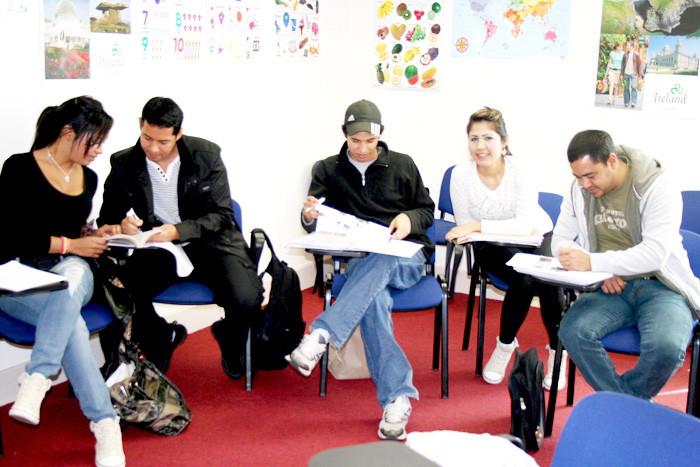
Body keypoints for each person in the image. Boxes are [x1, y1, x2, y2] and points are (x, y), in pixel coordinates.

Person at [286, 100, 435, 440]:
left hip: (405, 256)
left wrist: (408, 219)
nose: (364, 148)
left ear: (380, 136)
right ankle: (398, 398)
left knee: (383, 258)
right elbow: (315, 220)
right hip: (359, 260)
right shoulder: (327, 169)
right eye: (356, 141)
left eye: (371, 140)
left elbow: (426, 210)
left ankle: (321, 334)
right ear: (344, 135)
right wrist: (309, 216)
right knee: (375, 301)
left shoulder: (402, 164)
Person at [97, 97, 263, 378]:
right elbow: (106, 220)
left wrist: (178, 230)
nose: (153, 148)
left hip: (213, 243)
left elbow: (222, 215)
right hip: (160, 248)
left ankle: (229, 339)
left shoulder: (206, 155)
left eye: (163, 142)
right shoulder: (124, 163)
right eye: (147, 138)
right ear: (140, 125)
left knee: (247, 297)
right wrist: (120, 225)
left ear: (178, 134)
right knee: (125, 287)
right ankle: (161, 338)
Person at [0, 96, 126, 467]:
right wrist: (73, 243)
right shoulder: (20, 168)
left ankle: (36, 379)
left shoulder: (89, 177)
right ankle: (106, 424)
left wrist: (97, 232)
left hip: (71, 268)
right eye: (94, 140)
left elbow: (71, 230)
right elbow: (9, 238)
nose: (99, 150)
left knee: (71, 281)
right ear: (68, 131)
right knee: (70, 320)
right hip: (18, 273)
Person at [553, 129, 700, 400]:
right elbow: (560, 238)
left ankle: (621, 403)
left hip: (662, 284)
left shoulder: (657, 185)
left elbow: (654, 254)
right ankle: (628, 406)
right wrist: (599, 269)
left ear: (612, 160)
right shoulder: (579, 190)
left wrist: (594, 262)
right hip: (609, 285)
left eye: (591, 176)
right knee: (573, 330)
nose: (585, 184)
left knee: (666, 348)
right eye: (578, 177)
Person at [445, 107, 566, 390]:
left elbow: (524, 226)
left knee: (550, 280)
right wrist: (478, 227)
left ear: (504, 141)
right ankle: (505, 346)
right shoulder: (460, 175)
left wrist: (477, 224)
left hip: (537, 234)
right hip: (491, 242)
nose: (480, 146)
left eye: (488, 138)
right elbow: (464, 227)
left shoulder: (522, 169)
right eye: (474, 139)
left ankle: (558, 353)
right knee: (523, 281)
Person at [621, 40, 643, 108]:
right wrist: (621, 74)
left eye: (628, 46)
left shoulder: (637, 55)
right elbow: (622, 65)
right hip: (626, 73)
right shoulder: (625, 55)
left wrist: (640, 75)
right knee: (626, 88)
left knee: (634, 87)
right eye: (627, 46)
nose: (627, 47)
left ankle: (633, 102)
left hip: (634, 73)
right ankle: (626, 102)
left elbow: (639, 65)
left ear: (632, 46)